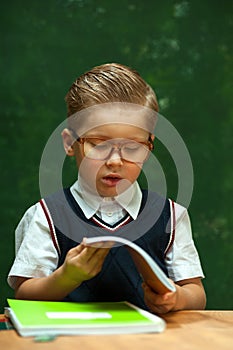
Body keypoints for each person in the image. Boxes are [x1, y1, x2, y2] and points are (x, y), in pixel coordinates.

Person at [8, 63, 206, 314]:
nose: (115, 161)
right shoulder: (46, 216)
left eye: (133, 147)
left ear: (149, 147)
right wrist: (66, 277)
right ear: (70, 143)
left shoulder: (171, 216)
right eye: (99, 144)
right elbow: (24, 296)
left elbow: (196, 293)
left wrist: (176, 298)